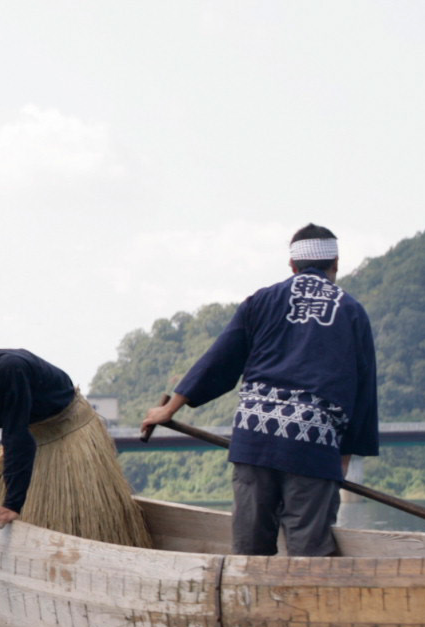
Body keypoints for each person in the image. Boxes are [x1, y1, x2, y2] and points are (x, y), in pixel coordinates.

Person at [140, 224, 379, 557]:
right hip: (313, 442)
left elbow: (220, 359)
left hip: (256, 436)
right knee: (309, 548)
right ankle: (308, 602)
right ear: (335, 264)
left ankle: (251, 604)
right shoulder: (352, 312)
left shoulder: (262, 300)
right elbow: (362, 394)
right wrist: (343, 458)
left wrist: (170, 409)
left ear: (292, 266)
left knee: (251, 544)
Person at [0, 316, 151, 550]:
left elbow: (17, 438)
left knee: (73, 515)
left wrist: (12, 505)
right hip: (30, 433)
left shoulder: (9, 370)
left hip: (67, 429)